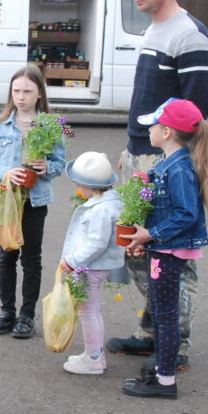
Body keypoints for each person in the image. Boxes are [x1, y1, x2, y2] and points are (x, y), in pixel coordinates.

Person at [108, 0, 208, 371]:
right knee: (135, 245)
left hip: (165, 161)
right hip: (141, 153)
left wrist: (170, 167)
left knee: (169, 249)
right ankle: (154, 332)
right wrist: (132, 148)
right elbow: (149, 99)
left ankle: (176, 345)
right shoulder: (156, 29)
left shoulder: (190, 36)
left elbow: (195, 114)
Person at [118, 98, 208, 398]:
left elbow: (187, 213)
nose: (148, 130)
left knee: (165, 315)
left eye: (154, 125)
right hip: (164, 248)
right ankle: (161, 370)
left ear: (167, 132)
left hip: (168, 250)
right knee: (162, 312)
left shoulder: (180, 170)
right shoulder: (169, 164)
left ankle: (165, 380)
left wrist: (150, 234)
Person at [0, 64, 66, 339]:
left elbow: (60, 163)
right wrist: (6, 172)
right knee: (6, 256)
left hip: (35, 201)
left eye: (27, 91)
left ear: (39, 93)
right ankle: (6, 312)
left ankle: (27, 316)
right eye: (16, 91)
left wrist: (46, 166)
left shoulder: (50, 126)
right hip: (6, 201)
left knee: (31, 258)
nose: (21, 96)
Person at [57, 152, 125, 375]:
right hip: (96, 265)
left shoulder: (101, 209)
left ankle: (94, 359)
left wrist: (72, 261)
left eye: (78, 183)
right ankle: (92, 353)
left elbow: (97, 244)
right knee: (89, 310)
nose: (76, 187)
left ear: (89, 185)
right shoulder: (108, 202)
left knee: (89, 311)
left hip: (93, 266)